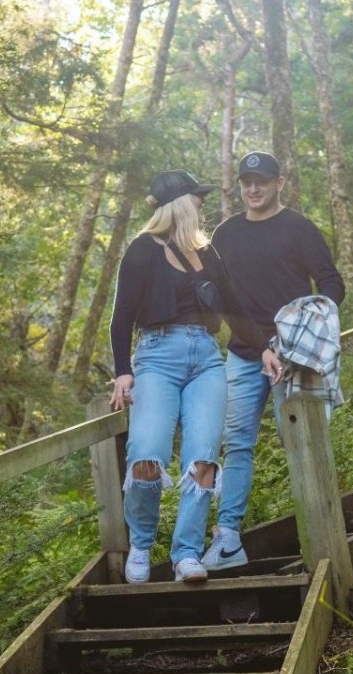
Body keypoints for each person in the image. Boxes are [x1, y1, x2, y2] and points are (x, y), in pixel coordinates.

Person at [108, 170, 266, 584]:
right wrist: (123, 372)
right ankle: (141, 545)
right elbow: (121, 316)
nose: (201, 204)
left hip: (206, 360)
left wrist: (265, 347)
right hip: (158, 357)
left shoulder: (207, 252)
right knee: (146, 453)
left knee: (202, 460)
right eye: (197, 197)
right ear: (179, 203)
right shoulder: (142, 250)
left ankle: (186, 555)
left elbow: (233, 309)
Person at [201, 151, 346, 572]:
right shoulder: (224, 235)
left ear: (279, 182)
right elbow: (223, 301)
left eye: (262, 180)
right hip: (246, 355)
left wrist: (306, 327)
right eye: (246, 181)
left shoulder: (299, 228)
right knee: (237, 443)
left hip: (296, 358)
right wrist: (262, 343)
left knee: (301, 441)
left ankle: (318, 535)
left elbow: (332, 283)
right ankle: (228, 541)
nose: (253, 188)